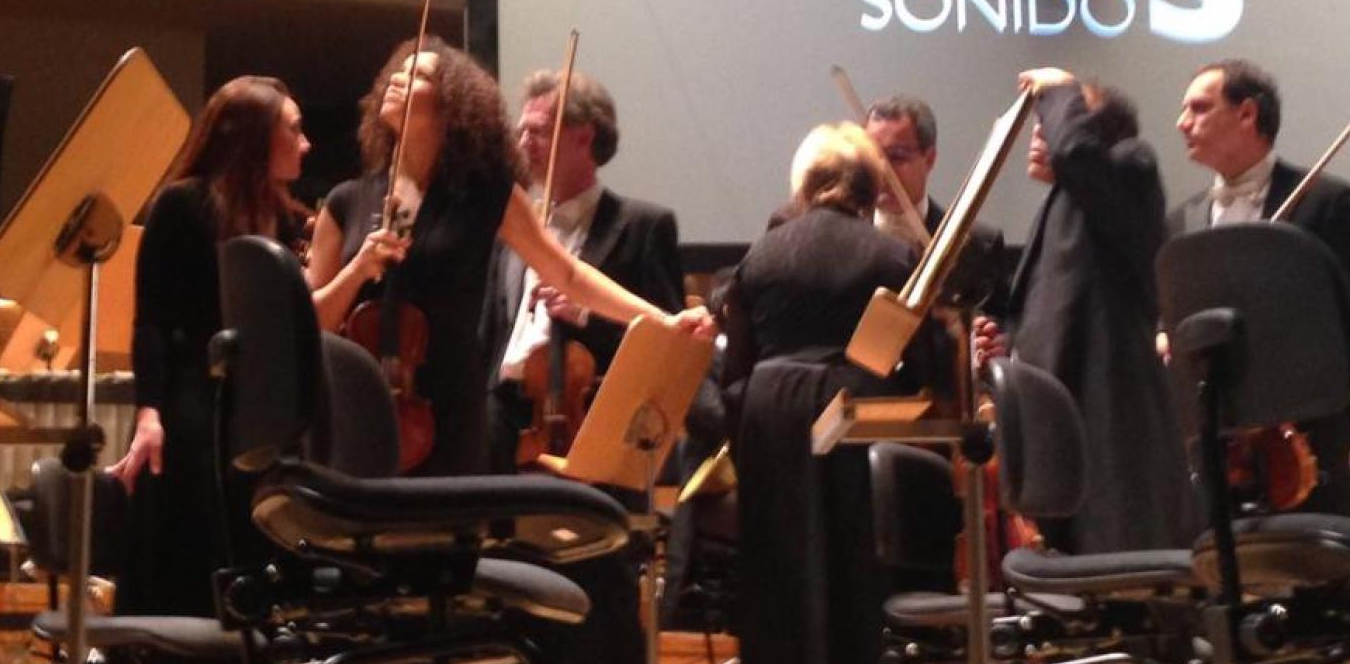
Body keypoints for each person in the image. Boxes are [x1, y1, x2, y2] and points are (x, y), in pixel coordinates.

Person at [307, 37, 713, 479]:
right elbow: (309, 323)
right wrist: (355, 272)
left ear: (451, 109)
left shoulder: (486, 196)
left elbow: (568, 273)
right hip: (358, 411)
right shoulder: (346, 202)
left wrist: (661, 319)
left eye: (419, 75)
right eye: (398, 73)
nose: (399, 79)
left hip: (451, 415)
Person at [723, 122, 950, 664]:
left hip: (769, 410)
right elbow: (927, 364)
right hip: (855, 414)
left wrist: (745, 425)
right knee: (852, 566)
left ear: (804, 185)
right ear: (870, 188)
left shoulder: (759, 255)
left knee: (778, 569)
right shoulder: (892, 258)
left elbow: (735, 370)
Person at [109, 75, 312, 616]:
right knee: (193, 549)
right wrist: (149, 413)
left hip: (264, 405)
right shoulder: (180, 205)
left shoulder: (289, 220)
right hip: (196, 400)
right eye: (293, 129)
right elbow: (151, 322)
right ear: (256, 138)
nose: (306, 143)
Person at [1169, 59, 1350, 518]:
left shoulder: (1326, 202)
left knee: (1326, 581)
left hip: (1312, 440)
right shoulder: (1181, 221)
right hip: (1214, 445)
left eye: (1198, 108)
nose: (1182, 122)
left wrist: (1289, 320)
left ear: (1247, 114)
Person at [975, 67, 1196, 555]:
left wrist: (1059, 87)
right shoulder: (1063, 203)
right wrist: (1005, 341)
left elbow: (1076, 155)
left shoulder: (1131, 165)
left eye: (1055, 119)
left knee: (1125, 590)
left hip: (1109, 430)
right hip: (1061, 433)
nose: (1041, 132)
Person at [482, 68, 685, 474]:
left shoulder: (643, 225)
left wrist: (586, 317)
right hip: (501, 417)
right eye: (520, 131)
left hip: (588, 421)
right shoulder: (512, 230)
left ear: (584, 137)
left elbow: (666, 347)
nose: (524, 143)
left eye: (538, 132)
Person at [866, 93, 1010, 312]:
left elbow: (1000, 321)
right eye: (872, 156)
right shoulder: (841, 243)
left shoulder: (979, 243)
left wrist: (993, 338)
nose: (882, 171)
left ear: (929, 159)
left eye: (897, 156)